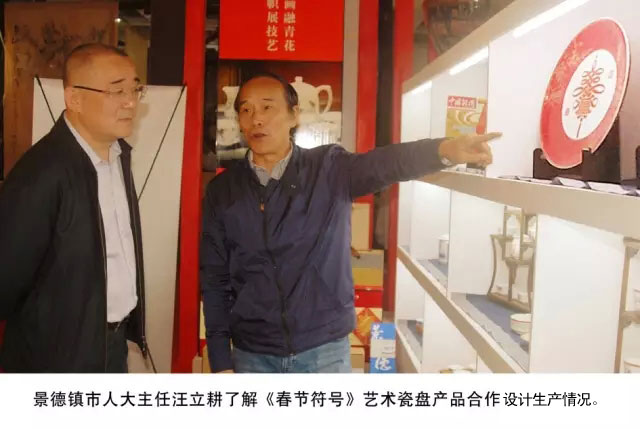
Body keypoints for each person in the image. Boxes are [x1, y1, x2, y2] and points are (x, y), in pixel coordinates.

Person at [201, 71, 500, 373]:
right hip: (253, 354)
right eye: (246, 109)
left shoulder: (328, 168)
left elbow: (386, 163)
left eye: (267, 107)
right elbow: (215, 279)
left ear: (294, 115)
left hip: (323, 352)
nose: (256, 119)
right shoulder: (223, 191)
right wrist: (221, 360)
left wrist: (444, 151)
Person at [0, 43, 148, 373]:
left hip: (112, 345)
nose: (130, 102)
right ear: (74, 99)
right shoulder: (42, 173)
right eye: (117, 91)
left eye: (135, 89)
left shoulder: (118, 156)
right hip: (57, 359)